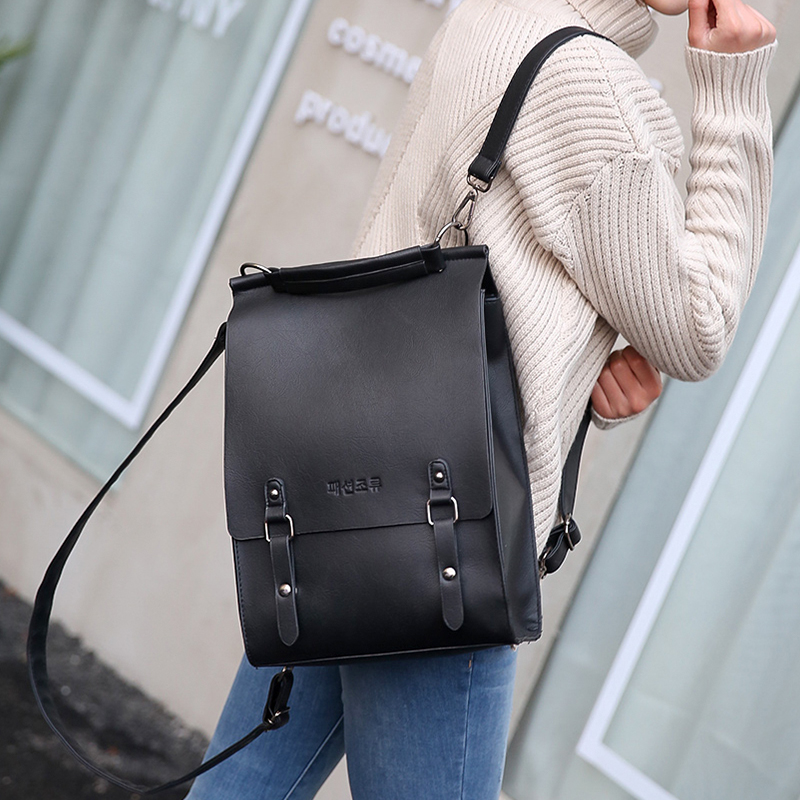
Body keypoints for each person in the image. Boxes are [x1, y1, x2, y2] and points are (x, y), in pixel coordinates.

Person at [186, 0, 775, 797]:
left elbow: (469, 281)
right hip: (445, 543)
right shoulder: (592, 87)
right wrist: (734, 90)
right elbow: (700, 329)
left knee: (240, 788)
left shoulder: (494, 15)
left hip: (338, 514)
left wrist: (577, 380)